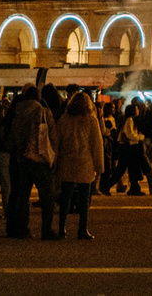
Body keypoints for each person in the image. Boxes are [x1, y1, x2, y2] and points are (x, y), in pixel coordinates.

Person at [4, 86, 55, 240]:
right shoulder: (43, 112)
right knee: (47, 195)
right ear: (38, 97)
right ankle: (46, 230)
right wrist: (54, 156)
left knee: (22, 195)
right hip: (40, 159)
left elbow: (11, 139)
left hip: (22, 158)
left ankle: (22, 228)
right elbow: (51, 136)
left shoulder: (17, 113)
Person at [52, 94, 102, 242]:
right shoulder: (91, 120)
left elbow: (57, 141)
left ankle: (62, 228)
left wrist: (56, 161)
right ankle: (82, 229)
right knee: (84, 198)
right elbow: (96, 144)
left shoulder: (64, 119)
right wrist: (99, 166)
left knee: (65, 197)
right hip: (84, 162)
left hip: (67, 161)